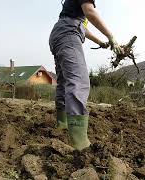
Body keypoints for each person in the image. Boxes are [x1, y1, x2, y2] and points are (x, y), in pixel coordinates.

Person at [49, 0, 123, 150]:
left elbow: (82, 26)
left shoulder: (72, 11)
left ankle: (62, 124)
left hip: (58, 34)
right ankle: (80, 142)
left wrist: (101, 42)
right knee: (79, 81)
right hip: (68, 34)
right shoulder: (86, 5)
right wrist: (111, 37)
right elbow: (90, 11)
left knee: (64, 82)